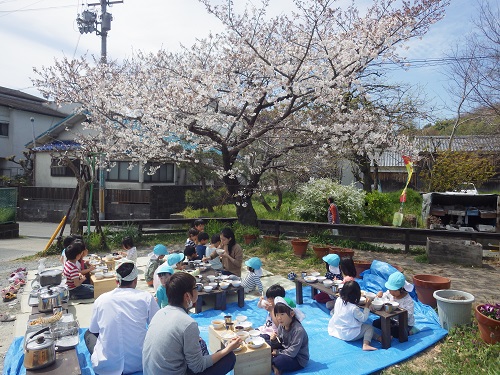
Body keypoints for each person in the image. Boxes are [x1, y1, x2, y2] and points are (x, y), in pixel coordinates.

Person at [142, 272, 240, 375]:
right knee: (229, 358)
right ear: (187, 296)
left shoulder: (160, 313)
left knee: (200, 343)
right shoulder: (188, 324)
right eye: (195, 288)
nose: (197, 291)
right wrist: (228, 349)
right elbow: (198, 366)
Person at [85, 261, 160, 375]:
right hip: (139, 362)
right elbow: (158, 326)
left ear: (116, 281)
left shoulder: (101, 299)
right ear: (135, 281)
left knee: (88, 334)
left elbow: (94, 330)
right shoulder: (146, 297)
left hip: (107, 367)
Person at [328, 280, 381, 351]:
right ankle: (366, 344)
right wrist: (367, 306)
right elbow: (363, 318)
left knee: (364, 328)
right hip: (349, 334)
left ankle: (379, 338)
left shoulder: (339, 299)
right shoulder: (353, 308)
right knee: (369, 328)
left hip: (338, 329)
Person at [270, 297, 309, 375]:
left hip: (297, 358)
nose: (279, 318)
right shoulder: (282, 325)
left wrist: (277, 352)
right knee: (267, 344)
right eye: (277, 314)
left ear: (291, 314)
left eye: (282, 314)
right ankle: (274, 365)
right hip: (285, 350)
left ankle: (275, 365)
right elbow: (280, 342)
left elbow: (292, 352)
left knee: (279, 360)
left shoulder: (298, 330)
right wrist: (273, 340)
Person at [373, 271, 416, 337]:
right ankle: (390, 327)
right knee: (376, 323)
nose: (391, 292)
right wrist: (380, 296)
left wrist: (397, 311)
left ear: (401, 290)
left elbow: (408, 315)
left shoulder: (408, 301)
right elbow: (384, 296)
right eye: (390, 290)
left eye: (394, 291)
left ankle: (411, 331)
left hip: (404, 323)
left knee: (398, 333)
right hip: (391, 319)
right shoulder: (390, 293)